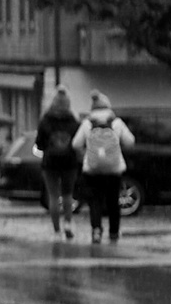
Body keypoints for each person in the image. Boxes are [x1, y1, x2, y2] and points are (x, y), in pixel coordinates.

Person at [78, 91, 134, 245]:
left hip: (92, 169)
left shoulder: (87, 123)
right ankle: (114, 232)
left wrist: (90, 151)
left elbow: (75, 144)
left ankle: (96, 230)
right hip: (114, 169)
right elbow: (130, 141)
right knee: (113, 201)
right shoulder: (117, 122)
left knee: (94, 201)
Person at [36, 86, 82, 241]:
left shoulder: (46, 120)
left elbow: (39, 143)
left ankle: (56, 230)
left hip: (50, 163)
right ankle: (68, 223)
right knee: (68, 195)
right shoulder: (73, 121)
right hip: (69, 162)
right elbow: (78, 143)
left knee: (54, 196)